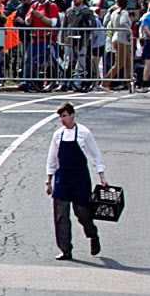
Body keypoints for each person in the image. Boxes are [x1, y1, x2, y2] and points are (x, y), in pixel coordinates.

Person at [44, 102, 108, 260]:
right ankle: (65, 249)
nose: (62, 120)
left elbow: (95, 155)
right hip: (63, 178)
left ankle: (93, 235)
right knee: (61, 214)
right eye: (60, 117)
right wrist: (49, 180)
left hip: (80, 179)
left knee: (82, 213)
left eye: (64, 116)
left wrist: (102, 177)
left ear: (72, 115)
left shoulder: (84, 133)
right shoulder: (58, 135)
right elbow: (52, 157)